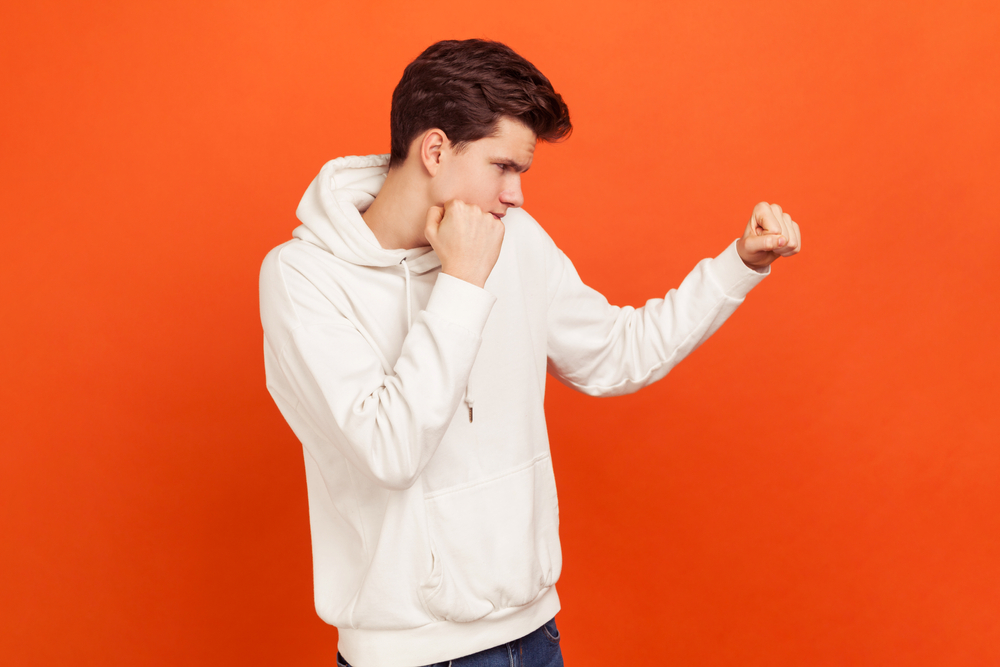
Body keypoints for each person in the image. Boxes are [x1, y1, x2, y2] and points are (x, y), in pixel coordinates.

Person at [259, 38, 801, 667]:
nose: (516, 196)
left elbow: (617, 355)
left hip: (534, 636)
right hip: (407, 656)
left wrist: (738, 266)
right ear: (435, 149)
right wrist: (462, 283)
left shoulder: (513, 239)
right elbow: (390, 449)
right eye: (503, 167)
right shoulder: (303, 278)